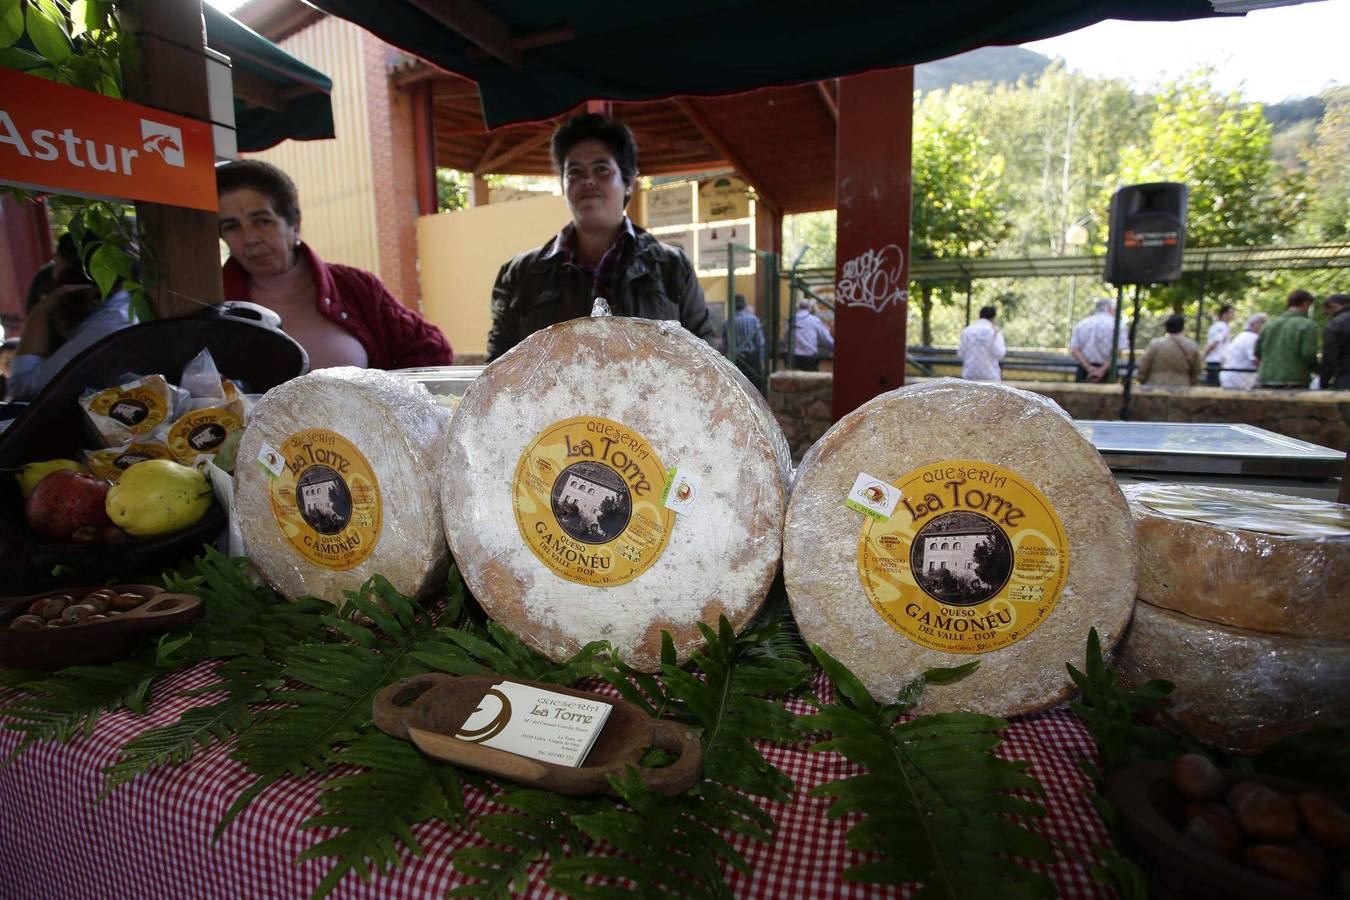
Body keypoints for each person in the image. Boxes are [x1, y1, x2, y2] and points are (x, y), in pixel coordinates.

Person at [485, 114, 715, 361]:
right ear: (563, 187)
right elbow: (497, 370)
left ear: (628, 182)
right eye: (574, 172)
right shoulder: (521, 275)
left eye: (601, 169)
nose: (588, 181)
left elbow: (707, 362)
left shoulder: (673, 268)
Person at [217, 159, 452, 370]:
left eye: (262, 221)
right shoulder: (214, 303)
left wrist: (387, 402)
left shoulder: (356, 286)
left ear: (294, 223)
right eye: (231, 226)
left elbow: (432, 348)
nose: (250, 239)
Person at [7, 234, 133, 402]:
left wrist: (42, 309)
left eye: (57, 263)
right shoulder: (116, 310)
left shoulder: (112, 321)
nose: (53, 273)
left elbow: (23, 388)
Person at [1256, 289, 1319, 389]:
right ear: (1306, 304)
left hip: (1266, 379)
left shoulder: (1269, 325)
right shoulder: (1307, 325)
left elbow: (1257, 352)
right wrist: (1319, 370)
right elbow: (1308, 354)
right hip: (1295, 380)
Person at [1069, 298, 1125, 383]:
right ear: (1110, 308)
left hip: (1084, 371)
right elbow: (1118, 351)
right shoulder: (1119, 325)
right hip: (1109, 372)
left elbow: (1074, 349)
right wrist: (1102, 370)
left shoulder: (1082, 324)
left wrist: (1089, 368)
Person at [1137, 313, 1202, 387]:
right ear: (1182, 327)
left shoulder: (1155, 344)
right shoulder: (1191, 345)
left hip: (1155, 386)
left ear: (1166, 327)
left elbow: (1144, 365)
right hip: (1182, 387)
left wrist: (1142, 380)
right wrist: (1191, 382)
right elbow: (1197, 370)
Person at [722, 293, 765, 392]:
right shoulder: (753, 320)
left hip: (735, 360)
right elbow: (760, 341)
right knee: (755, 390)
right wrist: (760, 358)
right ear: (745, 305)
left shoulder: (727, 322)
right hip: (752, 359)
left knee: (738, 390)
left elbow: (725, 345)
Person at [1219, 312, 1269, 390]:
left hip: (1228, 378)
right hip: (1240, 380)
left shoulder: (1242, 336)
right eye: (1262, 323)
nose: (1264, 326)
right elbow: (1255, 361)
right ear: (1253, 324)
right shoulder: (1252, 338)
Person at [957, 305, 1006, 382]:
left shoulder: (968, 330)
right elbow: (1000, 354)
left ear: (980, 315)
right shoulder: (994, 332)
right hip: (990, 376)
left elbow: (960, 353)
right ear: (993, 318)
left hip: (969, 376)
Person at [789, 299, 834, 371]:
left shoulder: (790, 320)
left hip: (792, 358)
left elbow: (786, 338)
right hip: (809, 359)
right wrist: (833, 348)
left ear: (798, 307)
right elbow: (826, 337)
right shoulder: (814, 320)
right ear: (809, 308)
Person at [1321, 293, 1350, 390]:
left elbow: (1330, 358)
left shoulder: (1335, 324)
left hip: (1345, 379)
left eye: (1327, 313)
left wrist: (1323, 382)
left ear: (1333, 306)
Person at [1202, 304, 1235, 385]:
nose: (1233, 315)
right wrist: (1203, 355)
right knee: (1215, 386)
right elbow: (1214, 343)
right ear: (1224, 314)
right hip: (1217, 361)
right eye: (1231, 313)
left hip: (1216, 360)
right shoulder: (1222, 326)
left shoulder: (1218, 326)